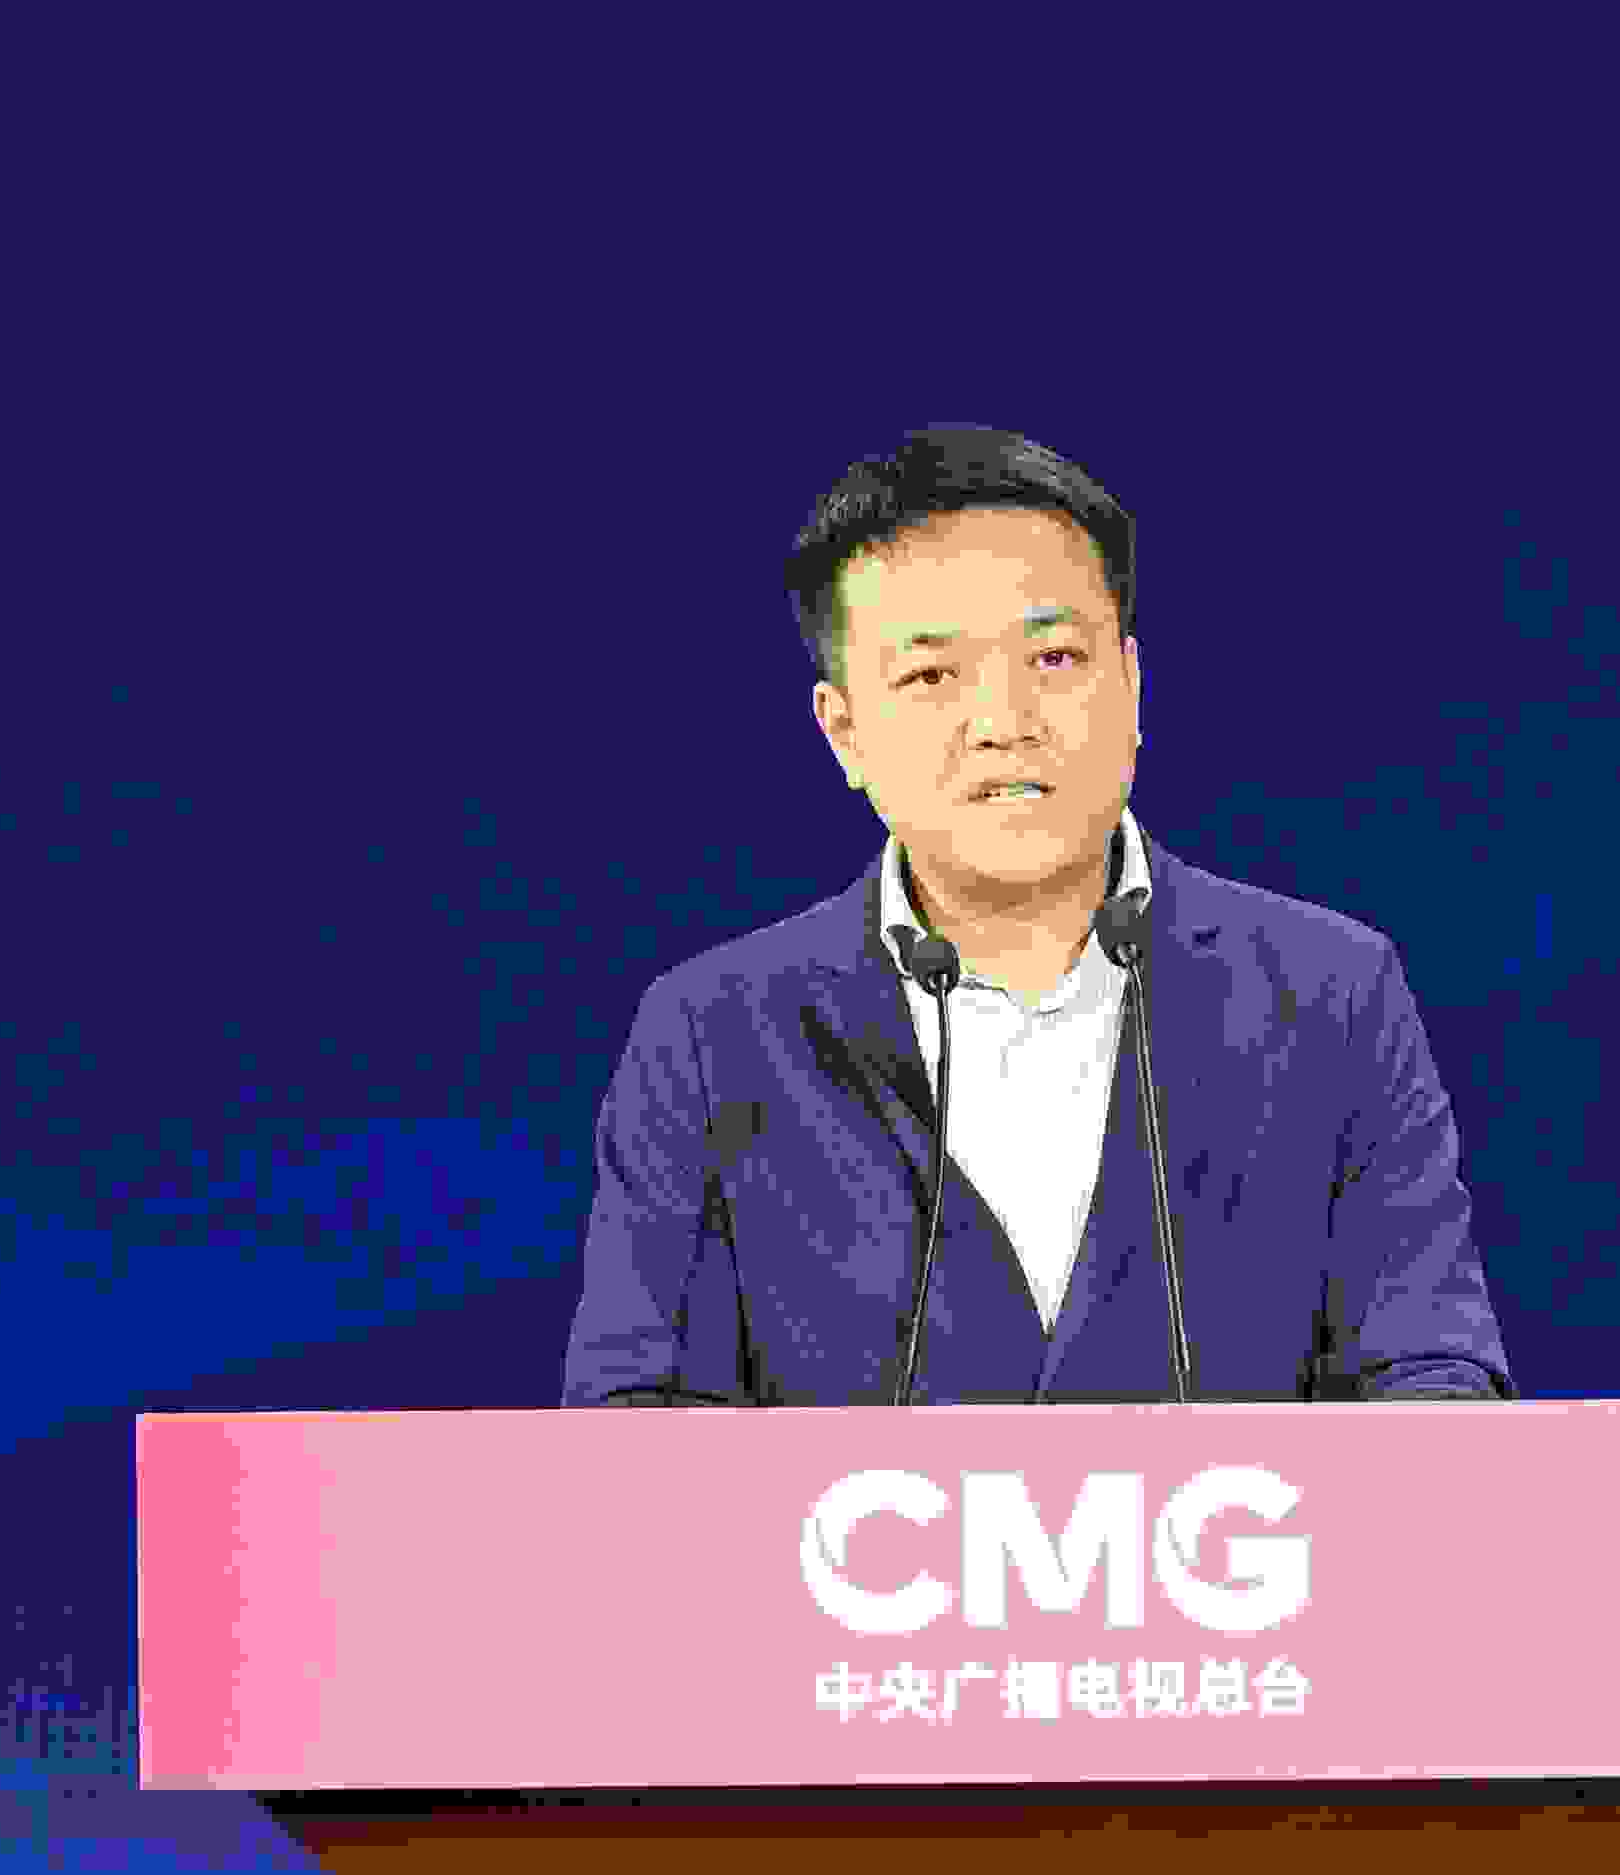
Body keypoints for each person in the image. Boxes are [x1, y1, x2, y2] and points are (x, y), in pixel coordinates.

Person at [560, 425, 1513, 1406]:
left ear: (1131, 686)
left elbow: (1432, 1378)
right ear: (843, 733)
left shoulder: (1329, 996)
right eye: (931, 676)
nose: (1002, 722)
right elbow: (637, 1430)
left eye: (1053, 657)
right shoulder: (710, 1038)